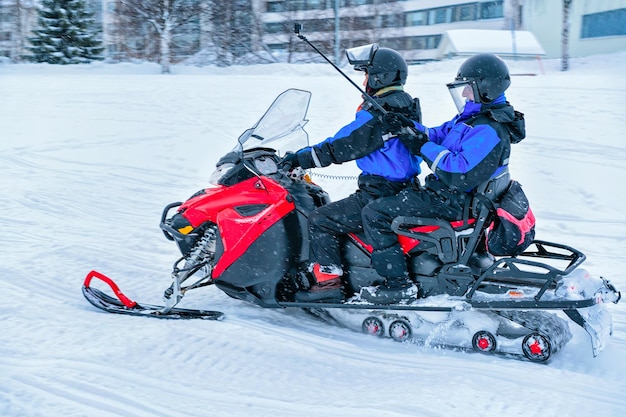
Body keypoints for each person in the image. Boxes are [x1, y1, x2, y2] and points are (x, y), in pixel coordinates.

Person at [360, 53, 526, 304]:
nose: (464, 95)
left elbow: (458, 173)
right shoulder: (473, 119)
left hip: (452, 199)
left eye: (467, 88)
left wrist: (422, 147)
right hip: (453, 196)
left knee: (375, 213)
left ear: (485, 87)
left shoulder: (488, 128)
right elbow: (437, 134)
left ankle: (398, 284)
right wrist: (407, 126)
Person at [280, 44, 423, 302]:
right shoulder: (405, 105)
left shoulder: (380, 112)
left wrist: (299, 158)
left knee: (321, 219)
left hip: (380, 192)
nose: (365, 80)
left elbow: (341, 146)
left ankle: (329, 281)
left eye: (367, 74)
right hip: (405, 188)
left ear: (379, 77)